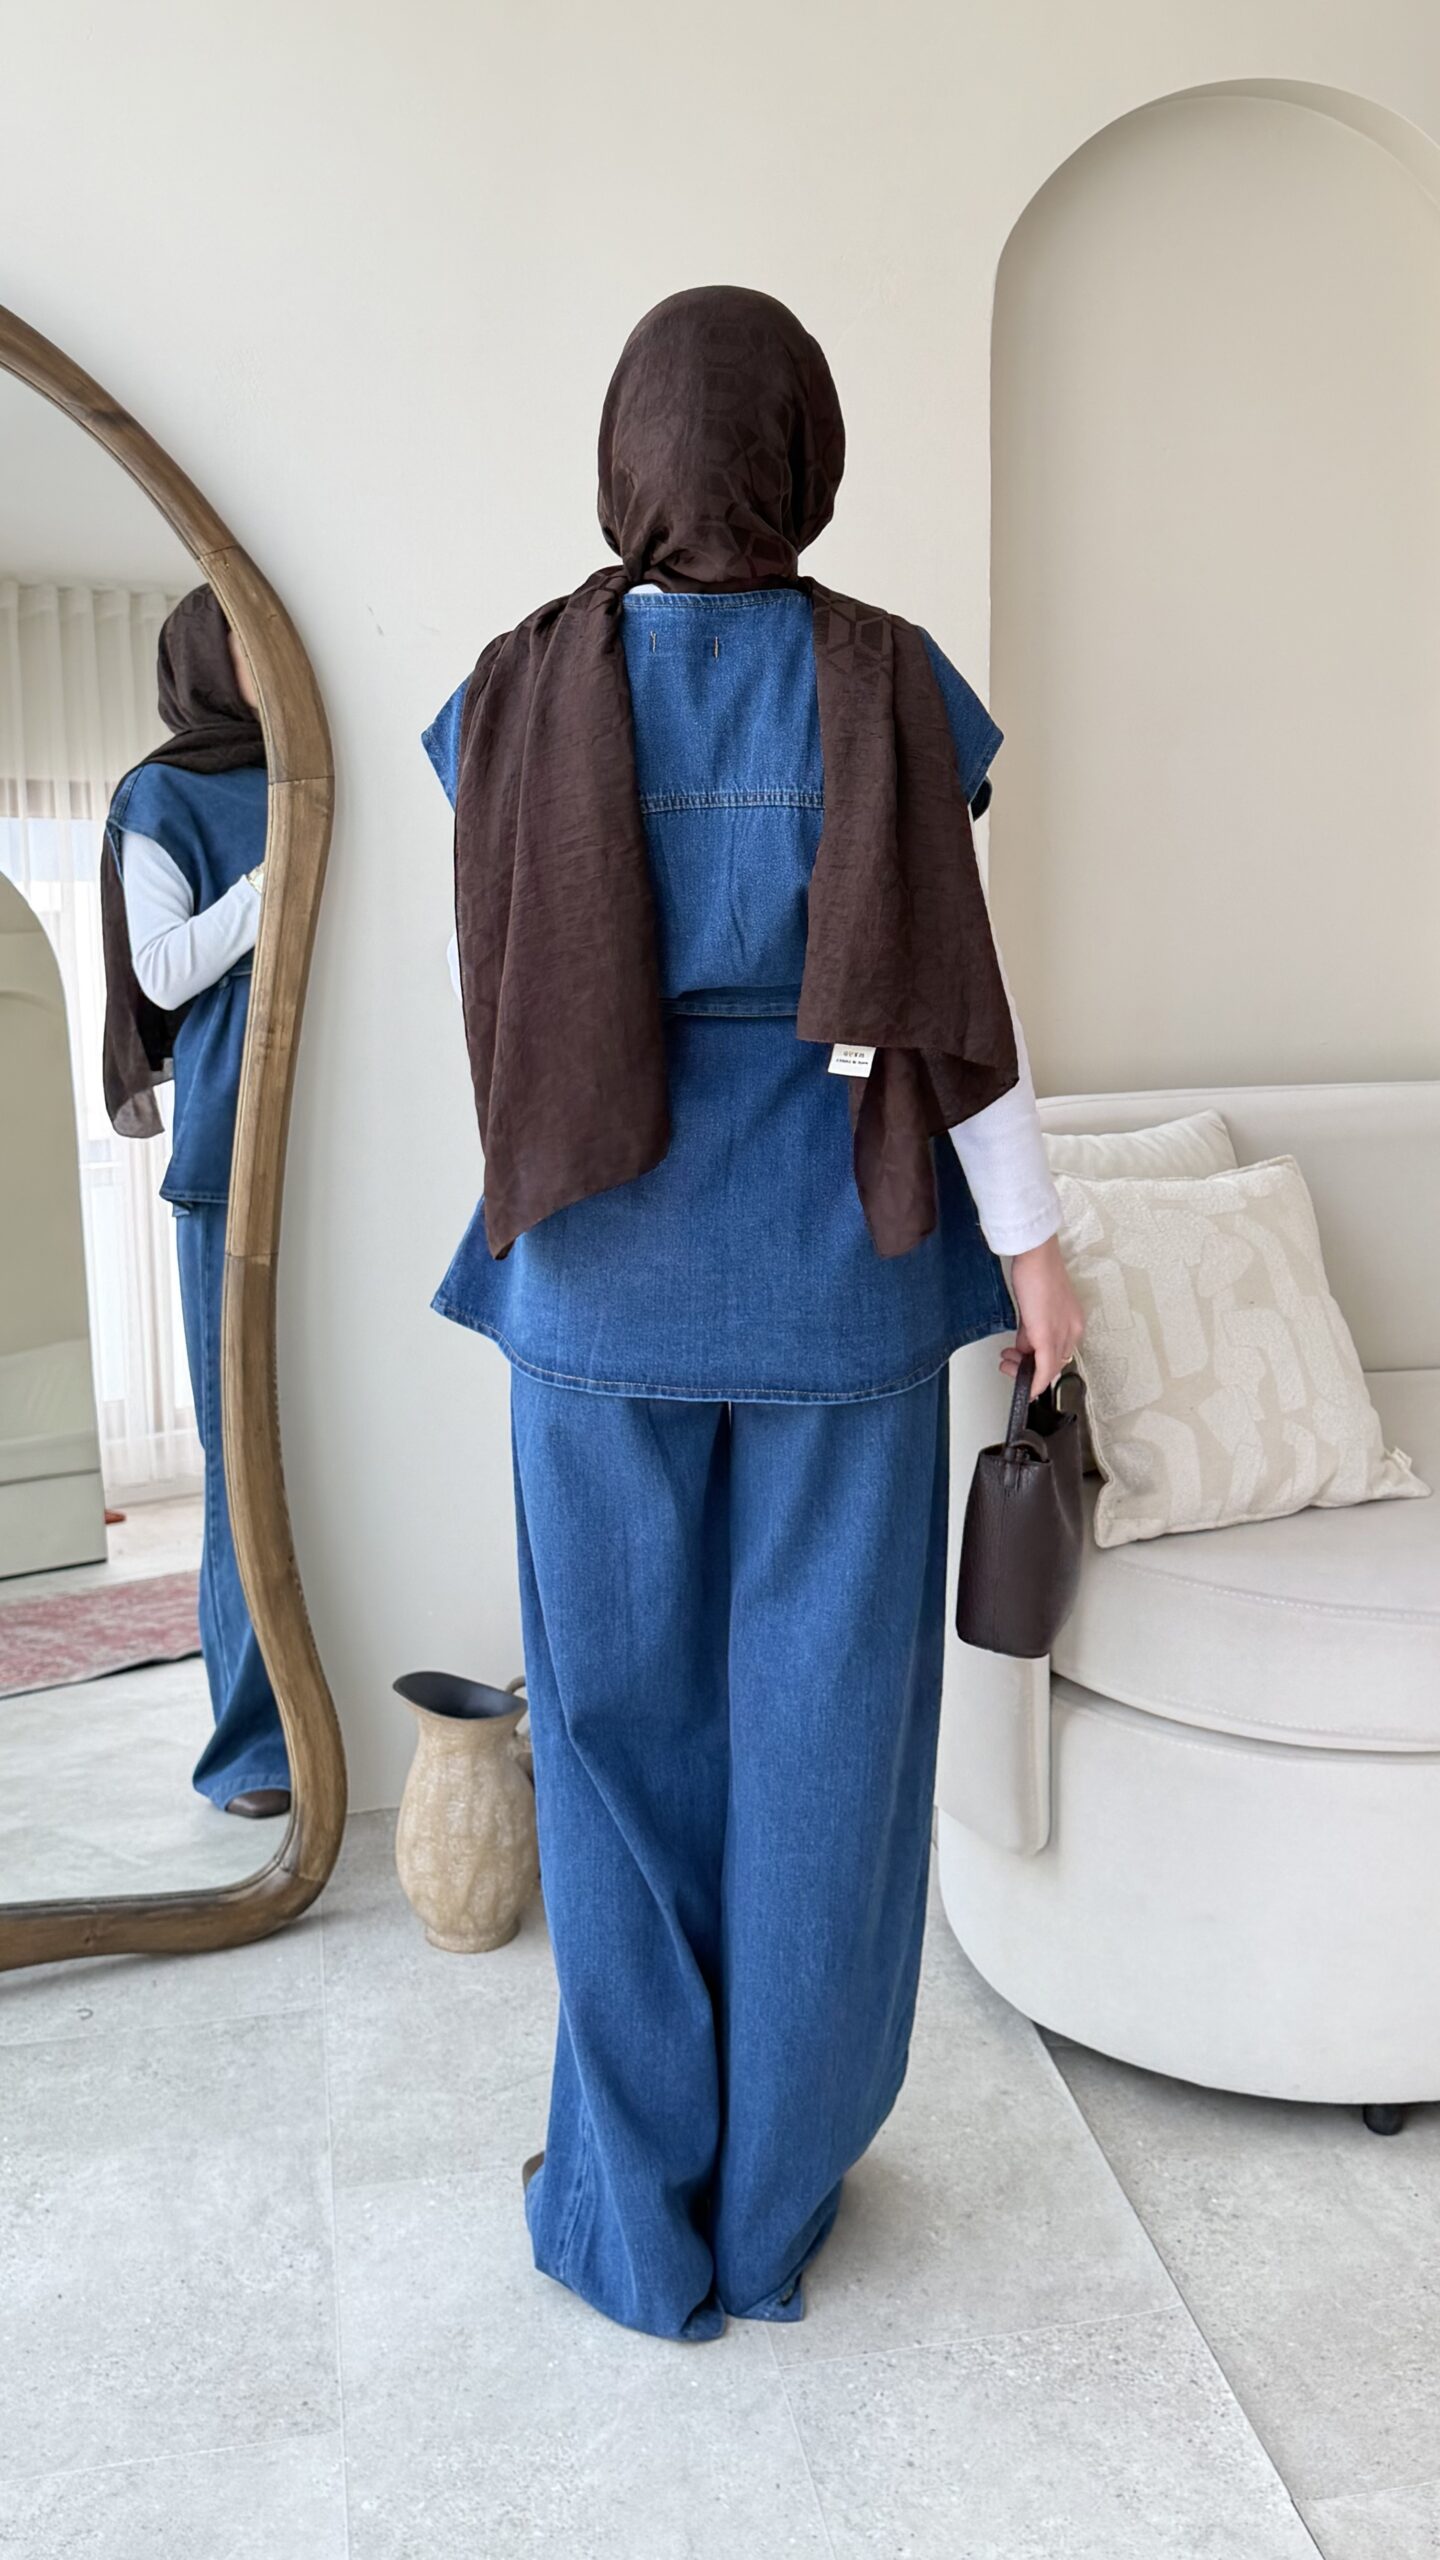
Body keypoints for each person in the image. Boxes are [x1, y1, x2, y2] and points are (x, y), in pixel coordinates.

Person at [423, 287, 1083, 2341]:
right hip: (836, 1274)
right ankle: (775, 2205)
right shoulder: (890, 683)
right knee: (827, 1745)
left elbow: (506, 983)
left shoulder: (514, 686)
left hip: (590, 1264)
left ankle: (636, 2215)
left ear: (623, 452)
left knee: (611, 1748)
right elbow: (957, 1012)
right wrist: (1036, 1254)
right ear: (810, 452)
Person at [99, 585, 290, 1820]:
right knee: (239, 1460)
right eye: (241, 636)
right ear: (202, 660)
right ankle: (252, 1750)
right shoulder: (160, 796)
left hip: (338, 1138)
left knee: (335, 1446)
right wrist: (276, 879)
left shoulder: (315, 771)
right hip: (232, 1152)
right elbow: (163, 972)